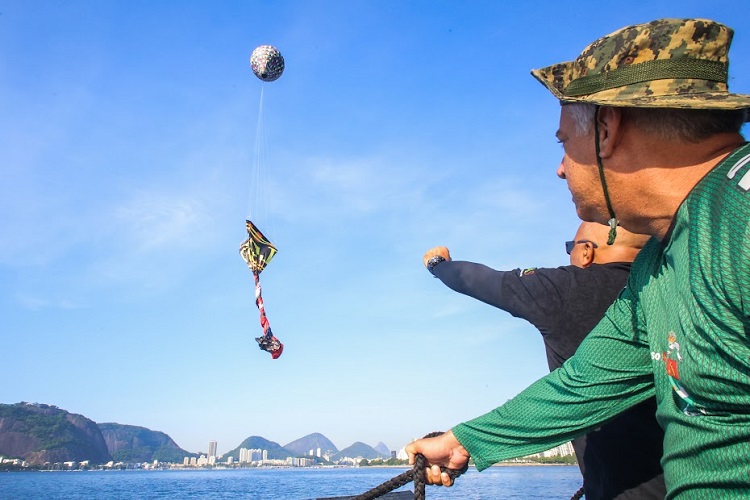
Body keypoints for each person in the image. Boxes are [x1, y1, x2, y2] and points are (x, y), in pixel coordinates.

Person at [406, 18, 750, 498]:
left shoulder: (738, 218)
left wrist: (439, 265)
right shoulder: (657, 263)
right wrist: (466, 441)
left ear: (607, 129)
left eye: (564, 142)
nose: (560, 168)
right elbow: (587, 382)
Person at [423, 221, 665, 499]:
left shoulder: (568, 288)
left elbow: (477, 280)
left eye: (570, 248)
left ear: (587, 252)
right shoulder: (665, 292)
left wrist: (438, 264)